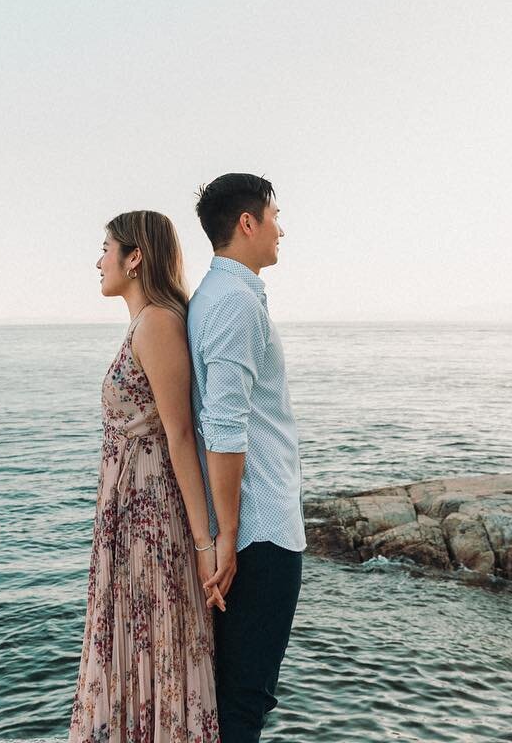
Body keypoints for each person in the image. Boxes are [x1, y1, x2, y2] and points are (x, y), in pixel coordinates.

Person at [68, 210, 223, 743]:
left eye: (105, 248)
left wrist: (206, 544)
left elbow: (181, 435)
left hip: (151, 523)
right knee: (137, 647)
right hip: (129, 518)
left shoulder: (158, 322)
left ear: (134, 257)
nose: (98, 261)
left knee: (155, 647)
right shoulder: (143, 323)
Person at [188, 173, 305, 743]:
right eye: (275, 216)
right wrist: (229, 535)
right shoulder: (234, 303)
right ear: (247, 223)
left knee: (232, 695)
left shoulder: (215, 296)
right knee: (246, 699)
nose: (282, 229)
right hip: (261, 533)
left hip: (246, 529)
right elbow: (225, 424)